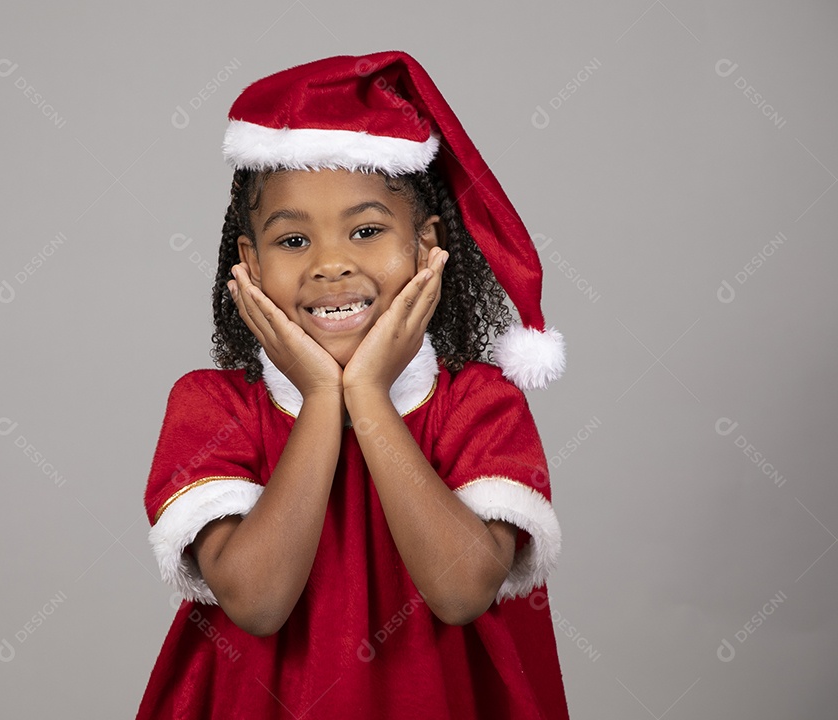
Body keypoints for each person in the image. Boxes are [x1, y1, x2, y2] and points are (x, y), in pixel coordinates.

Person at [137, 50, 569, 719]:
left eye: (367, 231)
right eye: (292, 241)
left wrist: (367, 396)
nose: (331, 264)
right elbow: (257, 602)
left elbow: (460, 593)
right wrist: (320, 401)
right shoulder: (212, 408)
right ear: (249, 263)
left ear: (428, 245)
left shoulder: (479, 406)